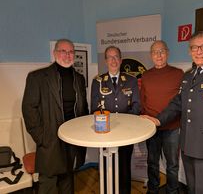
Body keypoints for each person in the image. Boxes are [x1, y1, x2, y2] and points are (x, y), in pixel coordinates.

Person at [142, 31, 203, 194]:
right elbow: (178, 103)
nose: (199, 51)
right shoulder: (189, 75)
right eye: (194, 48)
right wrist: (158, 120)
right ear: (189, 51)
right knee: (193, 188)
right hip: (188, 145)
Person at [22, 39, 89, 194]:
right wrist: (41, 137)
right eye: (63, 51)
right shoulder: (37, 77)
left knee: (68, 179)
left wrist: (83, 133)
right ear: (54, 53)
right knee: (48, 184)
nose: (67, 55)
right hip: (50, 139)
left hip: (73, 139)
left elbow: (83, 108)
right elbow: (29, 109)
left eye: (71, 52)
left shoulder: (79, 79)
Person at [91, 45, 140, 194]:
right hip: (106, 133)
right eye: (110, 57)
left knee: (124, 164)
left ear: (121, 59)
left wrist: (126, 126)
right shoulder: (98, 81)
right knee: (106, 165)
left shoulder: (131, 80)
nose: (113, 60)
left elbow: (136, 106)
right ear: (106, 60)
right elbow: (94, 108)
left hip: (126, 133)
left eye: (116, 57)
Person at [140, 40, 183, 194]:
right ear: (151, 55)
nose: (158, 55)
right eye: (155, 52)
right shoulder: (145, 75)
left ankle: (172, 191)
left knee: (172, 165)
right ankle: (153, 190)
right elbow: (142, 99)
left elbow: (181, 101)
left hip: (172, 127)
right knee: (152, 163)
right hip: (151, 128)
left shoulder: (178, 74)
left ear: (167, 53)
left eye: (161, 51)